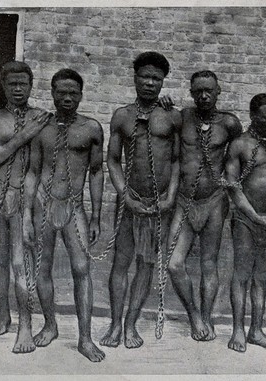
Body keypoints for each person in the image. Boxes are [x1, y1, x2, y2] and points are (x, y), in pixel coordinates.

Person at [22, 68, 105, 362]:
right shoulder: (41, 128)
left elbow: (96, 172)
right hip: (43, 205)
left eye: (73, 93)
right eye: (61, 92)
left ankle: (85, 338)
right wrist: (27, 215)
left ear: (81, 95)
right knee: (42, 269)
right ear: (53, 94)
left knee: (82, 268)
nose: (67, 98)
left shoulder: (92, 128)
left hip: (74, 207)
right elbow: (32, 171)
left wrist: (95, 216)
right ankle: (50, 324)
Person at [100, 52, 181, 349]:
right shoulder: (122, 115)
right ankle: (114, 325)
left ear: (163, 82)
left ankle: (131, 325)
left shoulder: (172, 116)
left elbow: (175, 160)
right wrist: (124, 195)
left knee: (146, 265)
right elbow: (112, 159)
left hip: (158, 205)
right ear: (134, 78)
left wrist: (170, 196)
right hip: (129, 202)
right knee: (120, 263)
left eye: (156, 79)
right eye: (144, 77)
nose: (150, 83)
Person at [167, 70, 242, 341]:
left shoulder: (230, 123)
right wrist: (164, 103)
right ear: (191, 92)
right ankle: (193, 316)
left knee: (209, 264)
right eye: (197, 90)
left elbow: (240, 159)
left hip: (213, 201)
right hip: (185, 202)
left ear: (219, 90)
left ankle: (207, 318)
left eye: (209, 90)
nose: (203, 95)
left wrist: (231, 185)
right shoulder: (182, 117)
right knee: (174, 264)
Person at [0, 61, 51, 352]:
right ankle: (3, 313)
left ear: (31, 85)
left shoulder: (43, 117)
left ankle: (26, 325)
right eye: (12, 84)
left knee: (21, 263)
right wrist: (22, 137)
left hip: (26, 196)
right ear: (4, 86)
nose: (18, 89)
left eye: (23, 83)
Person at [226, 93, 266, 352]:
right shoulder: (239, 145)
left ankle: (256, 331)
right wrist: (255, 217)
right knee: (241, 276)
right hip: (246, 221)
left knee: (260, 279)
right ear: (252, 116)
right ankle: (238, 330)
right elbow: (233, 186)